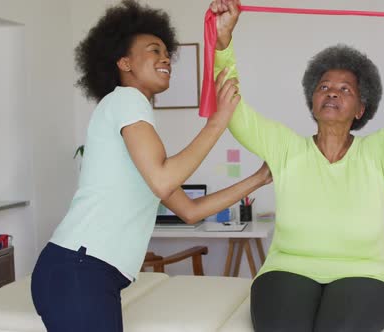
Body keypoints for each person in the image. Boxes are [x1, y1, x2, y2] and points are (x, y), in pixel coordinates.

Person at [210, 1, 384, 331]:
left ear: (360, 108)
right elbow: (234, 112)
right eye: (324, 86)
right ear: (312, 100)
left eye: (345, 89)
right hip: (288, 268)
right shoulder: (285, 147)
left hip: (366, 272)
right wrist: (223, 41)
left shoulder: (380, 152)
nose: (332, 93)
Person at [30, 1, 272, 331]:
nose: (165, 58)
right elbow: (162, 181)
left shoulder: (134, 127)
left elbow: (190, 210)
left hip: (81, 271)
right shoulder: (127, 100)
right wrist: (218, 121)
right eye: (153, 50)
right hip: (80, 269)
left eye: (165, 52)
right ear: (124, 62)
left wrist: (258, 179)